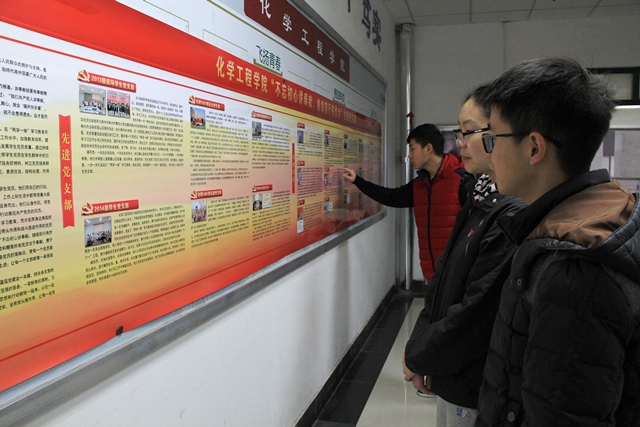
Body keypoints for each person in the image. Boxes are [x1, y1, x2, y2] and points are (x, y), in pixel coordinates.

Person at [475, 57, 640, 426]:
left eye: (493, 138)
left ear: (534, 148)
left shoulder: (574, 270)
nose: (489, 152)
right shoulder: (609, 207)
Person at [401, 85, 524, 426]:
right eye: (459, 133)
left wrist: (419, 355)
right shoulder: (478, 197)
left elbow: (475, 314)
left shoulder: (510, 212)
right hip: (451, 373)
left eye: (468, 132)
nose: (460, 143)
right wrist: (421, 350)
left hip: (474, 380)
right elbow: (441, 284)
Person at [342, 123, 474, 280]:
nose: (409, 155)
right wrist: (358, 181)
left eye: (412, 149)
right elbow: (390, 197)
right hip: (432, 274)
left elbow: (477, 228)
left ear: (428, 148)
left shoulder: (462, 181)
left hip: (459, 273)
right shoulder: (420, 185)